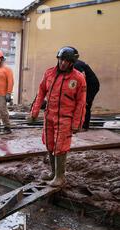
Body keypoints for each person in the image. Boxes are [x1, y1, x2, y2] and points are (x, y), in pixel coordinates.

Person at [30, 47, 86, 187]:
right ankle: (53, 172)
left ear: (72, 62)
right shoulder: (49, 74)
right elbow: (41, 92)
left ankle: (60, 176)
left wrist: (77, 123)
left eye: (66, 61)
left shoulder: (78, 78)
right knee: (49, 143)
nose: (62, 63)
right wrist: (34, 112)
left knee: (60, 146)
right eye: (61, 60)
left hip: (65, 117)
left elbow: (81, 102)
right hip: (49, 115)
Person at [71, 49, 100, 130]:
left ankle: (84, 126)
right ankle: (81, 124)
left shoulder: (76, 64)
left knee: (85, 104)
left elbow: (82, 77)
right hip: (90, 85)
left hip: (91, 87)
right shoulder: (74, 63)